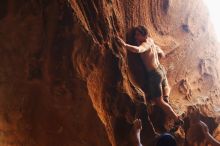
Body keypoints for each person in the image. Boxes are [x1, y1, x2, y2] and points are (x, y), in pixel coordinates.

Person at [117, 25, 183, 128]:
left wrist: (124, 45)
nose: (135, 37)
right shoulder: (150, 40)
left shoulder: (145, 44)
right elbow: (157, 48)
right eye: (135, 34)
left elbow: (138, 50)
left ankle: (176, 119)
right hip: (160, 70)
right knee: (166, 85)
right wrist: (160, 52)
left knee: (158, 101)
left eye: (138, 35)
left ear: (144, 35)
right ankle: (166, 97)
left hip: (154, 74)